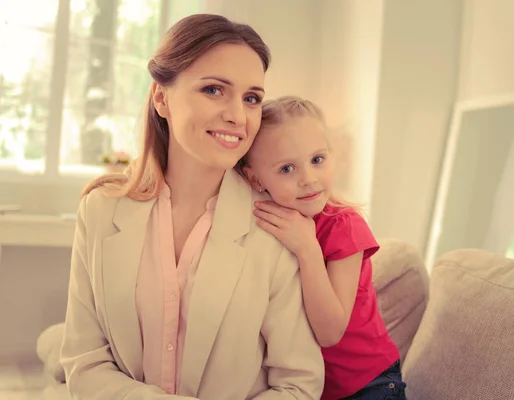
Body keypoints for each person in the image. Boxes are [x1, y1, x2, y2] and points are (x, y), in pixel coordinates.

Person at [59, 15, 324, 400]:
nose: (238, 115)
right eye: (214, 90)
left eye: (252, 98)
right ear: (162, 98)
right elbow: (84, 363)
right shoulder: (100, 211)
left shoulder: (276, 225)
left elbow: (299, 384)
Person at [239, 96, 408, 400]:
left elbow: (330, 333)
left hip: (368, 385)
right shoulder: (269, 223)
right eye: (287, 168)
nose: (309, 179)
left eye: (317, 160)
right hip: (312, 389)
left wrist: (308, 250)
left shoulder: (344, 225)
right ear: (255, 179)